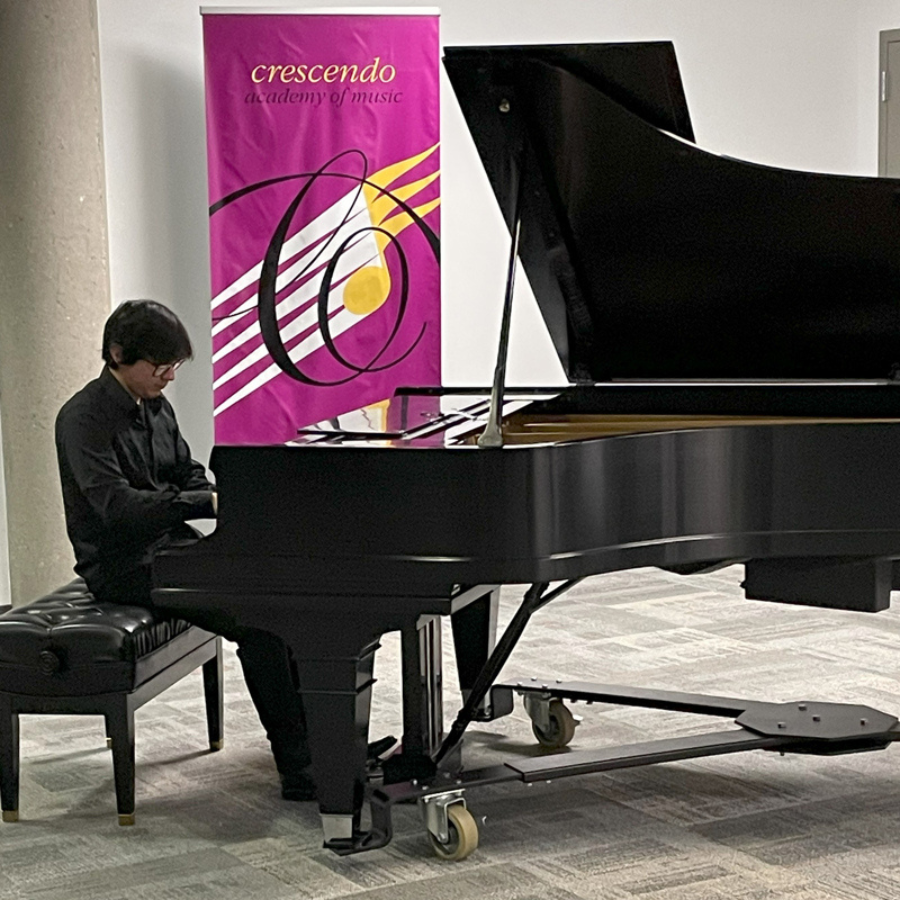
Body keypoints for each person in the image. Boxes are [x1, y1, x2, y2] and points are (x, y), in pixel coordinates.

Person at [55, 300, 315, 800]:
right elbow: (117, 509)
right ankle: (300, 767)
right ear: (117, 354)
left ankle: (324, 743)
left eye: (175, 365)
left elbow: (185, 469)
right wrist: (198, 502)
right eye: (161, 365)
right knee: (259, 621)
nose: (170, 376)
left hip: (171, 548)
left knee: (286, 598)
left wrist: (211, 493)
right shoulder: (82, 419)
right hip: (122, 566)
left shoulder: (155, 405)